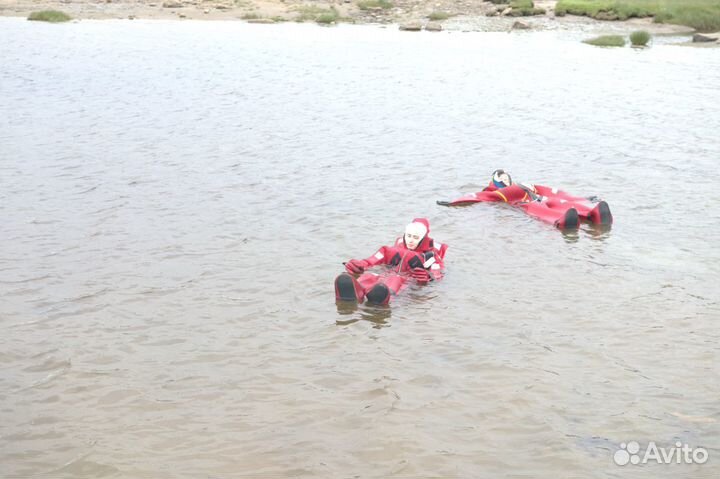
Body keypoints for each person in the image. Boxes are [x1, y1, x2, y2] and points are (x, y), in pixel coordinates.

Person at [438, 169, 612, 229]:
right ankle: (563, 221)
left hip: (540, 197)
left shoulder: (524, 185)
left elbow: (555, 193)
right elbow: (480, 196)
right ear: (495, 181)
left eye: (507, 178)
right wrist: (454, 202)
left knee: (563, 202)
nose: (506, 180)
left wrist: (583, 199)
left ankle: (592, 213)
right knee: (543, 210)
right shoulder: (497, 193)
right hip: (526, 204)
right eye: (502, 179)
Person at [334, 218, 448, 306]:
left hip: (406, 279)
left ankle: (381, 297)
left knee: (394, 279)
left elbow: (437, 273)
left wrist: (428, 276)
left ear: (423, 238)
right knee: (370, 276)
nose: (411, 240)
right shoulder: (391, 250)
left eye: (415, 237)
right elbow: (373, 259)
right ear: (404, 235)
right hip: (386, 273)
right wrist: (359, 265)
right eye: (409, 236)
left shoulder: (430, 257)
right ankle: (356, 290)